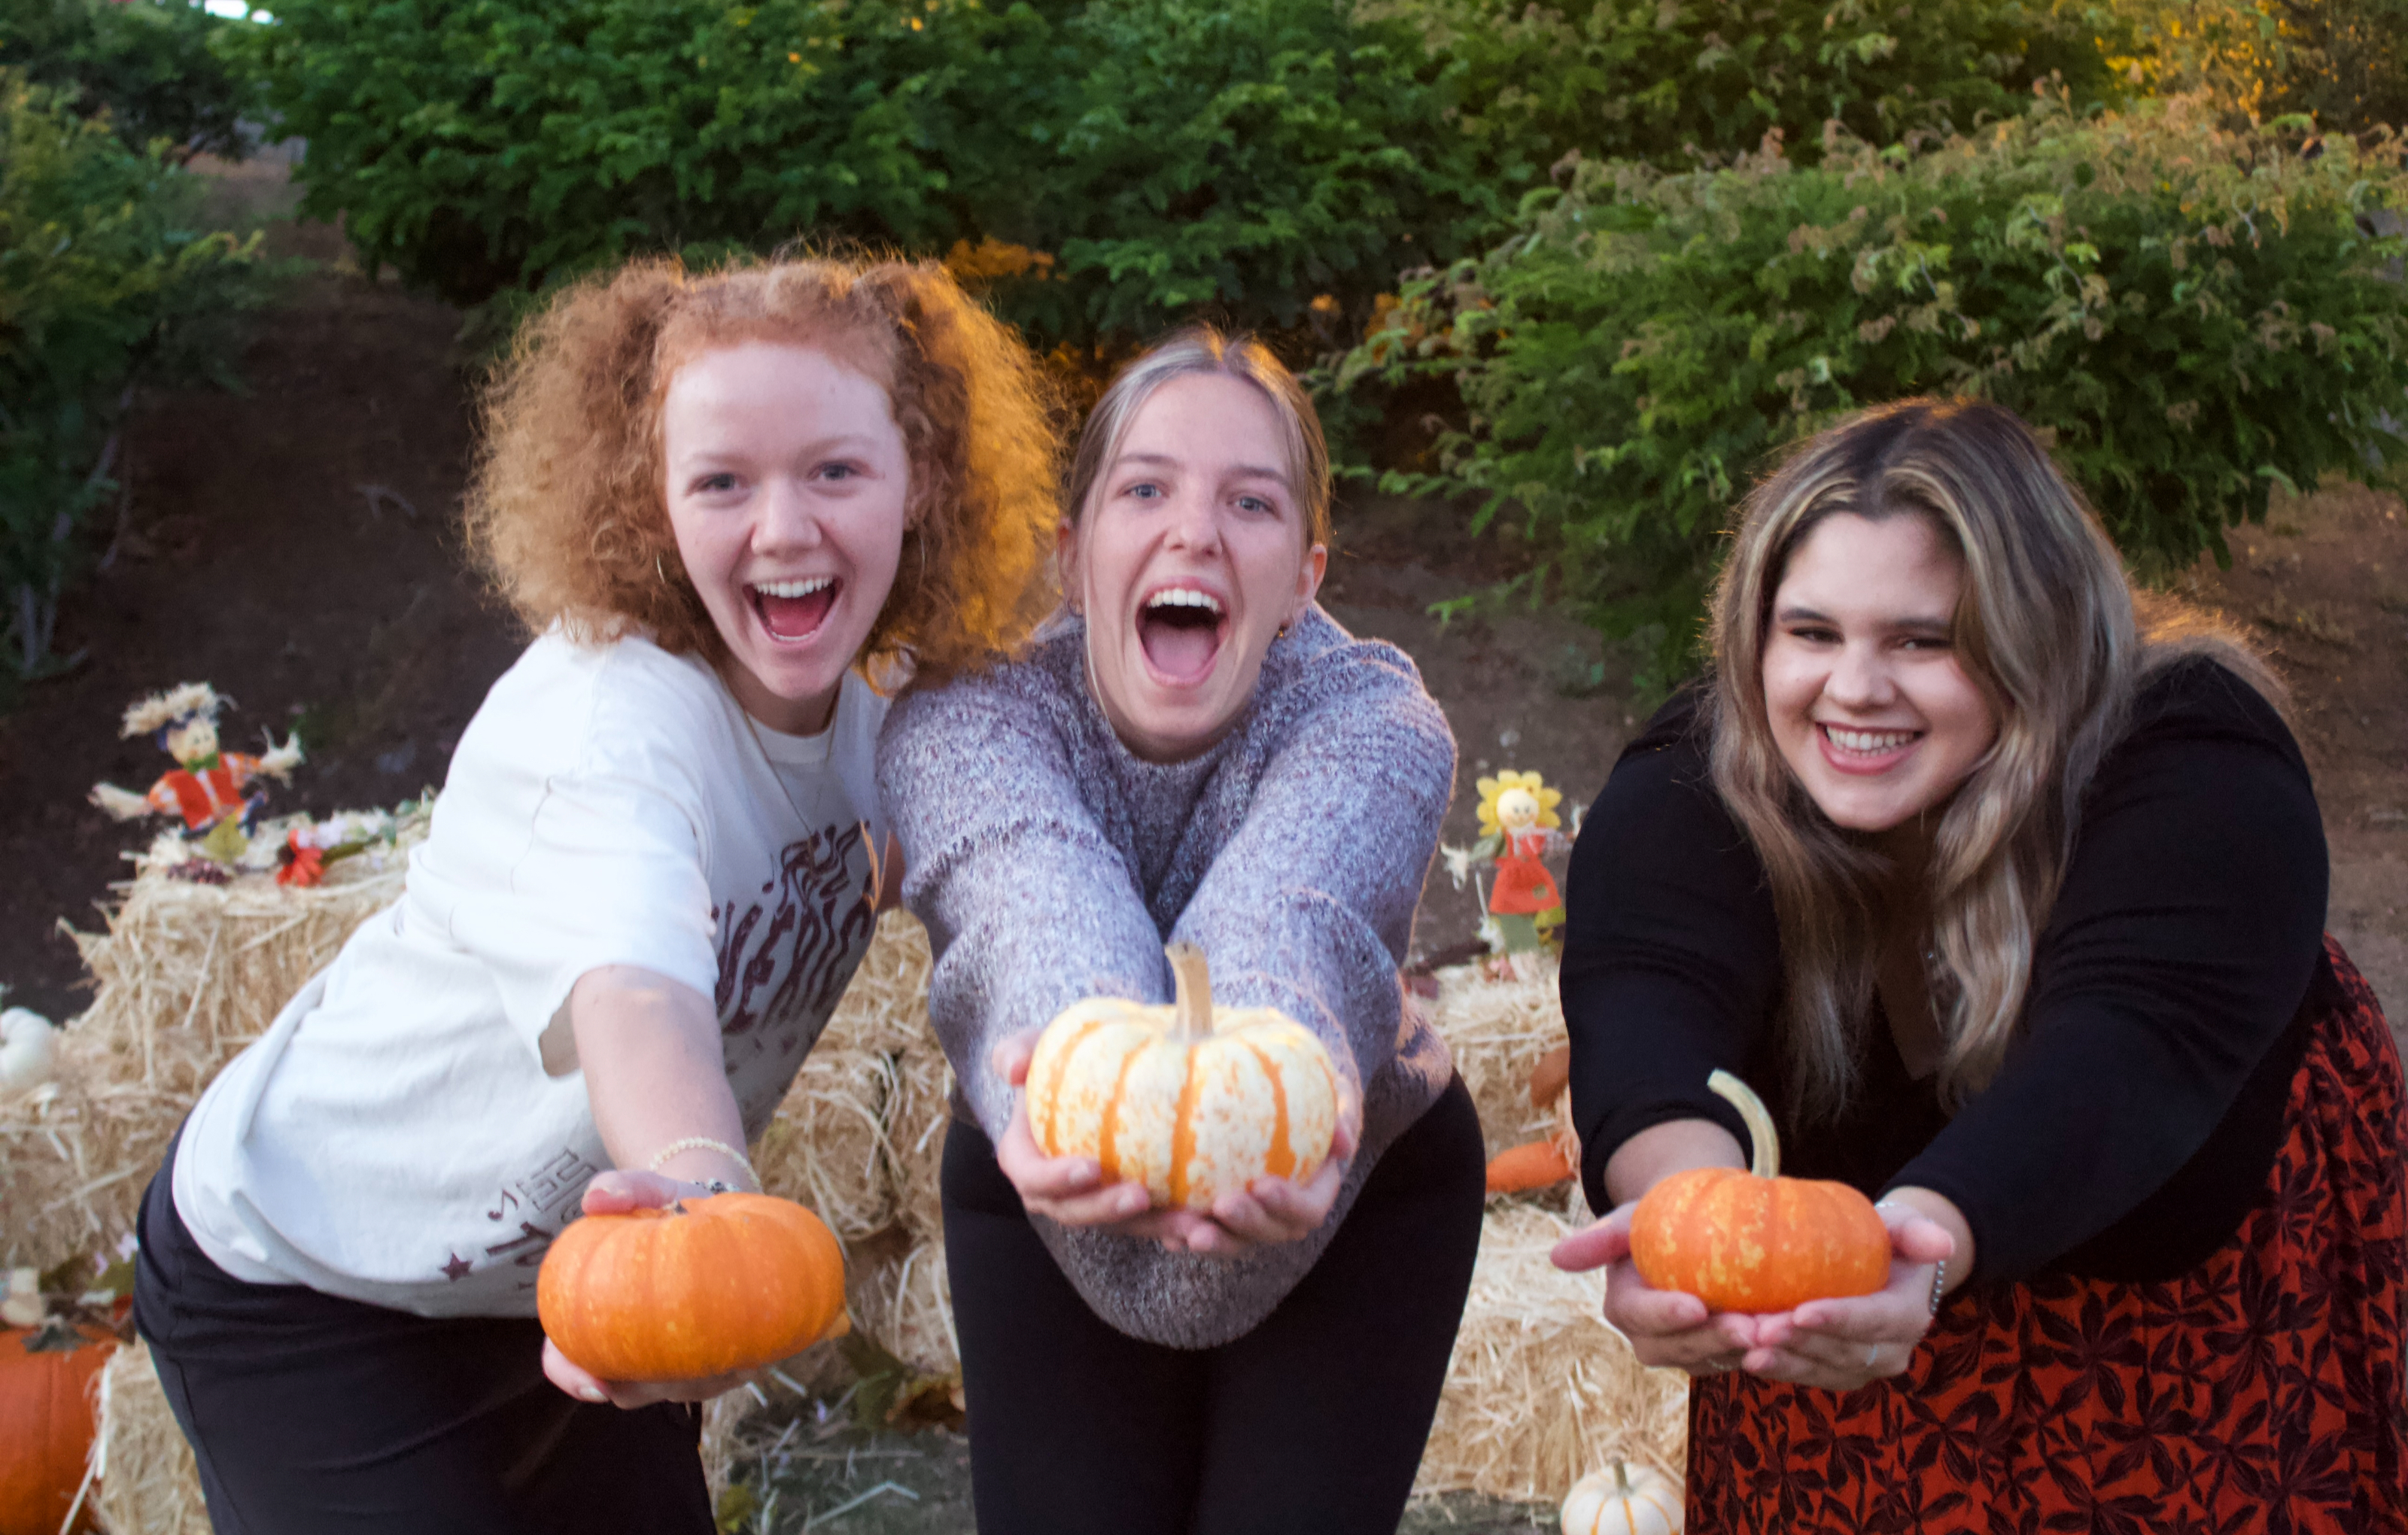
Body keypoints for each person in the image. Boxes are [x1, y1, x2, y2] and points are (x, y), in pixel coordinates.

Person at [130, 254, 1056, 1533]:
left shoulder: (894, 715)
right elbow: (636, 994)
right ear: (650, 501)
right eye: (721, 481)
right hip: (313, 1282)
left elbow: (1020, 865)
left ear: (925, 480)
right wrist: (703, 1193)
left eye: (835, 470)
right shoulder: (604, 722)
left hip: (579, 1281)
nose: (782, 526)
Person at [1551, 397, 2405, 1532]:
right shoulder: (1698, 782)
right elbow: (1647, 1004)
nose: (1855, 687)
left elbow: (2121, 1058)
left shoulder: (2199, 764)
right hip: (1843, 1361)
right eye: (1811, 634)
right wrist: (1687, 1228)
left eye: (1923, 640)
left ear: (2035, 644)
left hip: (2179, 1349)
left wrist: (1921, 1246)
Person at [880, 328, 1488, 1535]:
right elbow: (1028, 894)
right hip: (1045, 1181)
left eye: (1250, 503)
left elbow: (1293, 916)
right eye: (1146, 489)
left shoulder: (1376, 721)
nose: (1196, 532)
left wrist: (1275, 1095)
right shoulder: (968, 716)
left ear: (1305, 576)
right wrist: (1080, 1085)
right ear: (1073, 556)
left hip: (1350, 1189)